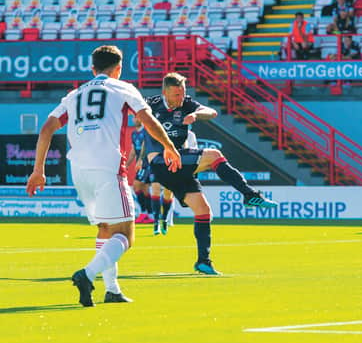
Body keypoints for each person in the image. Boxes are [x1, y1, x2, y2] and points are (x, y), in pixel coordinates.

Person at [26, 45, 181, 307]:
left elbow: (46, 129)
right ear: (118, 69)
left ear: (92, 69)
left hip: (79, 170)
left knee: (105, 228)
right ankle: (86, 274)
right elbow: (147, 119)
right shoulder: (122, 88)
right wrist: (169, 146)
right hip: (107, 167)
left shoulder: (74, 94)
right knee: (126, 235)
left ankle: (112, 289)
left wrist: (38, 170)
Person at [145, 72, 278, 275]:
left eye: (182, 93)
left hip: (178, 164)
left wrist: (196, 115)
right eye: (175, 94)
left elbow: (212, 112)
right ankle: (250, 195)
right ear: (164, 92)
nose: (180, 98)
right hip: (160, 162)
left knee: (203, 210)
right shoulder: (151, 104)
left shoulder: (186, 104)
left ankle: (203, 262)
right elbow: (128, 110)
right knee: (214, 155)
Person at [127, 117, 154, 224]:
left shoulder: (146, 131)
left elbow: (147, 147)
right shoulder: (134, 134)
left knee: (136, 185)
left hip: (146, 163)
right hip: (141, 164)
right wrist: (127, 164)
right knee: (145, 190)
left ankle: (143, 212)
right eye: (134, 117)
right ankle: (150, 215)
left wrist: (141, 160)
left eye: (138, 117)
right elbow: (133, 151)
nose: (135, 119)